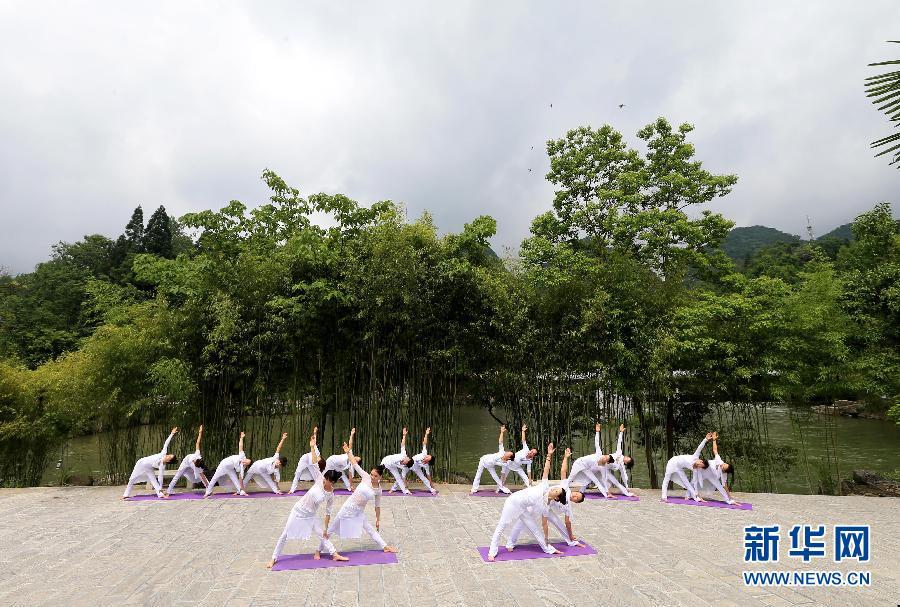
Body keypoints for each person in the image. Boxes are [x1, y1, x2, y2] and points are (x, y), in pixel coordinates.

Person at [266, 435, 349, 568]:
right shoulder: (319, 479)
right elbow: (315, 463)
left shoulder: (330, 495)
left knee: (322, 534)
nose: (324, 479)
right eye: (324, 477)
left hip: (310, 515)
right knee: (285, 534)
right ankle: (274, 558)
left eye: (327, 479)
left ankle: (334, 554)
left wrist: (326, 528)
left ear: (331, 482)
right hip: (298, 510)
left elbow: (328, 513)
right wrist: (312, 446)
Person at [487, 443, 568, 561]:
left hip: (523, 507)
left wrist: (546, 538)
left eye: (556, 491)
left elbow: (544, 524)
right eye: (555, 488)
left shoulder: (545, 506)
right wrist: (549, 455)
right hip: (512, 502)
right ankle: (492, 551)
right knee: (502, 525)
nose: (553, 489)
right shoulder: (545, 485)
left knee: (534, 528)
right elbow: (546, 470)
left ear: (556, 498)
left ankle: (548, 549)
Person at [505, 447, 584, 552]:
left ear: (575, 502)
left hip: (547, 506)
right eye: (576, 494)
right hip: (536, 500)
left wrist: (571, 536)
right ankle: (510, 542)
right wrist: (565, 457)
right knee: (522, 522)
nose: (574, 496)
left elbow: (567, 523)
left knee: (557, 521)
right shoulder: (565, 487)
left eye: (576, 498)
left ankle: (570, 541)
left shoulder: (567, 506)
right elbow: (563, 471)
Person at [326, 443, 398, 556]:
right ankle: (318, 550)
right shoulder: (365, 477)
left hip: (359, 511)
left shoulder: (378, 490)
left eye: (375, 476)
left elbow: (377, 506)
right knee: (331, 529)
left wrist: (378, 519)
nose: (372, 477)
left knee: (370, 529)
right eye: (372, 474)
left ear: (380, 477)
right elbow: (354, 464)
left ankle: (385, 546)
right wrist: (348, 452)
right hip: (348, 507)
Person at [122, 427, 178, 499]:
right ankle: (125, 495)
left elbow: (160, 478)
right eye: (169, 455)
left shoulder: (162, 466)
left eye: (169, 457)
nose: (168, 455)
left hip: (149, 468)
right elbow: (166, 443)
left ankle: (160, 494)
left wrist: (160, 488)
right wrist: (172, 434)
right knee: (132, 479)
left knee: (154, 480)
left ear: (169, 461)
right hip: (141, 463)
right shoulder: (163, 453)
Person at [660, 433, 713, 502]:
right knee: (666, 479)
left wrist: (697, 496)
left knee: (686, 482)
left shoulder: (695, 469)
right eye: (700, 463)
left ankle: (696, 498)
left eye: (701, 466)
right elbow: (700, 447)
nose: (699, 465)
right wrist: (705, 439)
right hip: (672, 462)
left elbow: (695, 482)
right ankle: (664, 496)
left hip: (679, 468)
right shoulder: (695, 456)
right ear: (700, 460)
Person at [567, 423, 613, 498]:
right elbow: (597, 443)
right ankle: (563, 489)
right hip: (579, 463)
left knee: (594, 480)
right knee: (571, 477)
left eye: (606, 459)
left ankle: (606, 495)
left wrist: (607, 493)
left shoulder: (603, 468)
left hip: (586, 468)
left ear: (607, 462)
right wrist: (597, 432)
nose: (604, 457)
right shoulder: (599, 454)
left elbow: (604, 481)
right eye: (605, 456)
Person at [691, 432, 738, 505]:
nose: (722, 465)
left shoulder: (724, 474)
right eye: (724, 464)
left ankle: (729, 500)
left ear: (724, 471)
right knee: (694, 481)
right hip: (704, 470)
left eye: (723, 467)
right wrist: (714, 440)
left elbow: (724, 486)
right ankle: (691, 494)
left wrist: (730, 496)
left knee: (720, 487)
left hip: (712, 476)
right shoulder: (719, 461)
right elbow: (715, 450)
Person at [204, 431, 252, 498]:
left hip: (230, 469)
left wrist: (243, 489)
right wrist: (241, 438)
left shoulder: (242, 468)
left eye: (247, 462)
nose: (246, 460)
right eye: (247, 460)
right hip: (223, 465)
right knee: (215, 478)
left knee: (235, 479)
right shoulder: (242, 456)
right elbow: (240, 447)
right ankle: (208, 492)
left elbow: (240, 479)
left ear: (246, 465)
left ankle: (240, 491)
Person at [390, 427, 436, 494]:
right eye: (428, 455)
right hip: (409, 464)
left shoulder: (426, 466)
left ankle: (431, 489)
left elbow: (428, 475)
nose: (426, 456)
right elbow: (424, 443)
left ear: (427, 462)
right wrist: (426, 434)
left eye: (427, 458)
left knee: (423, 478)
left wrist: (431, 484)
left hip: (416, 467)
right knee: (402, 476)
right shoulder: (424, 453)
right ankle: (393, 488)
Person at [470, 425, 515, 494]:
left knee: (496, 477)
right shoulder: (502, 452)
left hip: (490, 465)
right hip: (483, 460)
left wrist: (503, 479)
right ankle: (474, 489)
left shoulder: (506, 463)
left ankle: (505, 490)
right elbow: (500, 442)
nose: (507, 452)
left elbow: (503, 473)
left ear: (509, 457)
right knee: (478, 474)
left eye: (509, 453)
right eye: (508, 451)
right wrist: (502, 432)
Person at [167, 425, 209, 494]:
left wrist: (208, 490)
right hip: (185, 462)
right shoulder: (197, 455)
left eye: (194, 461)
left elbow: (203, 477)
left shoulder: (198, 465)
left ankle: (208, 489)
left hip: (193, 468)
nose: (193, 460)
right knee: (177, 475)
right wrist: (200, 432)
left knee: (200, 476)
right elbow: (197, 443)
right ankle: (169, 490)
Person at [323, 427, 360, 492]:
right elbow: (350, 444)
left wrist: (351, 485)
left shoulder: (352, 465)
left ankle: (349, 488)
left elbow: (350, 477)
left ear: (356, 462)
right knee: (326, 475)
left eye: (356, 459)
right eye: (356, 456)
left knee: (342, 474)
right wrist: (352, 434)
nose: (355, 457)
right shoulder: (350, 454)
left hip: (337, 466)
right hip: (331, 461)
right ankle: (322, 486)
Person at [289, 426, 321, 494]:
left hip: (311, 463)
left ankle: (320, 488)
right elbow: (314, 441)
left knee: (316, 476)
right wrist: (315, 432)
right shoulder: (317, 451)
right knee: (298, 473)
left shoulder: (316, 462)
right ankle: (292, 490)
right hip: (304, 460)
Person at [382, 427, 413, 495]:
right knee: (378, 473)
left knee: (398, 478)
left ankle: (404, 491)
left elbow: (403, 477)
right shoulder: (403, 454)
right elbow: (402, 445)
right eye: (408, 458)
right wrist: (404, 435)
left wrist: (406, 487)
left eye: (407, 459)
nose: (407, 457)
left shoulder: (404, 467)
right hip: (385, 461)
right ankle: (372, 487)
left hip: (392, 466)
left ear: (405, 463)